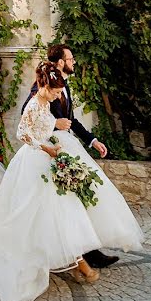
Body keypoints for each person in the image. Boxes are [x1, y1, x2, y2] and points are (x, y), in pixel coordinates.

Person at [0, 63, 144, 301]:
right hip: (34, 163)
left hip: (48, 160)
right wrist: (45, 147)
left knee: (60, 213)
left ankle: (74, 261)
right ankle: (77, 264)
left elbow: (45, 127)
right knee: (42, 214)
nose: (58, 96)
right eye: (56, 92)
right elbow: (22, 134)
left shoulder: (47, 103)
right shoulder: (34, 104)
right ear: (46, 87)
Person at [20, 44, 119, 270]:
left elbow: (72, 120)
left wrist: (92, 140)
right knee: (65, 203)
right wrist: (53, 123)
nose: (74, 62)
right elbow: (27, 117)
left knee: (83, 196)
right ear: (61, 62)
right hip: (50, 151)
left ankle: (88, 249)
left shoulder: (64, 87)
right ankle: (74, 254)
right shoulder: (42, 87)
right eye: (71, 59)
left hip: (68, 145)